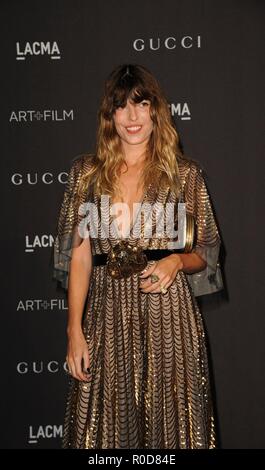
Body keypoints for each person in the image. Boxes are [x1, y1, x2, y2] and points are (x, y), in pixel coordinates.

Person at [53, 63, 224, 449]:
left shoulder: (184, 175)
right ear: (109, 115)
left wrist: (176, 261)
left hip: (169, 317)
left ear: (155, 111)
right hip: (105, 315)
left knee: (172, 432)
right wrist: (74, 330)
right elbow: (79, 256)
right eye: (122, 106)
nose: (132, 117)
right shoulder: (86, 174)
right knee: (101, 433)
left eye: (141, 104)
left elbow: (206, 254)